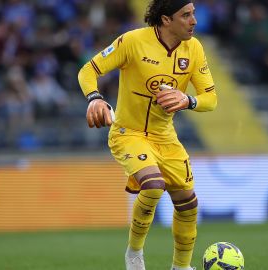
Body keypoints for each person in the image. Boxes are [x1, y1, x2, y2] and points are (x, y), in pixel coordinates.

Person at [78, 1, 217, 269]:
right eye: (186, 15)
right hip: (128, 132)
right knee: (153, 185)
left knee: (188, 203)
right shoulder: (133, 41)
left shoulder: (194, 48)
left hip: (165, 137)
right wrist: (94, 98)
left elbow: (210, 98)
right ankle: (134, 252)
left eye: (194, 14)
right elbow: (88, 70)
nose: (194, 21)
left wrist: (187, 100)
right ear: (166, 20)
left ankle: (181, 267)